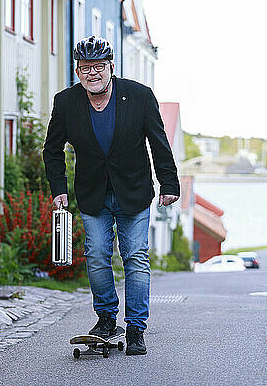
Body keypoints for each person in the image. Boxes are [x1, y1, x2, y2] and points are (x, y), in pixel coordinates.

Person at [43, 35, 180, 356]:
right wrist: (58, 190)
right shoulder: (66, 102)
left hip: (133, 191)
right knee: (96, 255)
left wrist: (169, 184)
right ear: (77, 71)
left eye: (98, 67)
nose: (92, 74)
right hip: (93, 194)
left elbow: (158, 142)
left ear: (111, 67)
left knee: (135, 257)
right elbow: (52, 151)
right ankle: (105, 318)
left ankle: (135, 329)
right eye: (84, 68)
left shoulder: (139, 96)